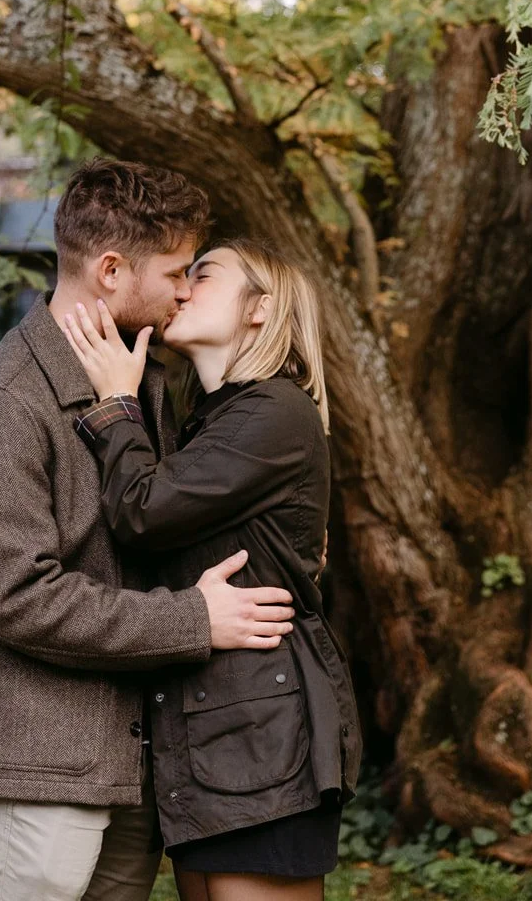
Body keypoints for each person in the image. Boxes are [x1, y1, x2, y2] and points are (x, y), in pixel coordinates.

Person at [0, 162, 297, 901]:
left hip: (127, 763)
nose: (184, 290)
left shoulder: (145, 382)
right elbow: (18, 599)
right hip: (36, 766)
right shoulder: (3, 406)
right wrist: (192, 619)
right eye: (173, 272)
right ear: (109, 270)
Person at [63, 239, 362, 901]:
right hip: (210, 732)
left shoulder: (273, 410)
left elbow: (144, 510)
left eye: (204, 274)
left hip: (259, 738)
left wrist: (114, 405)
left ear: (259, 309)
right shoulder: (212, 419)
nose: (183, 287)